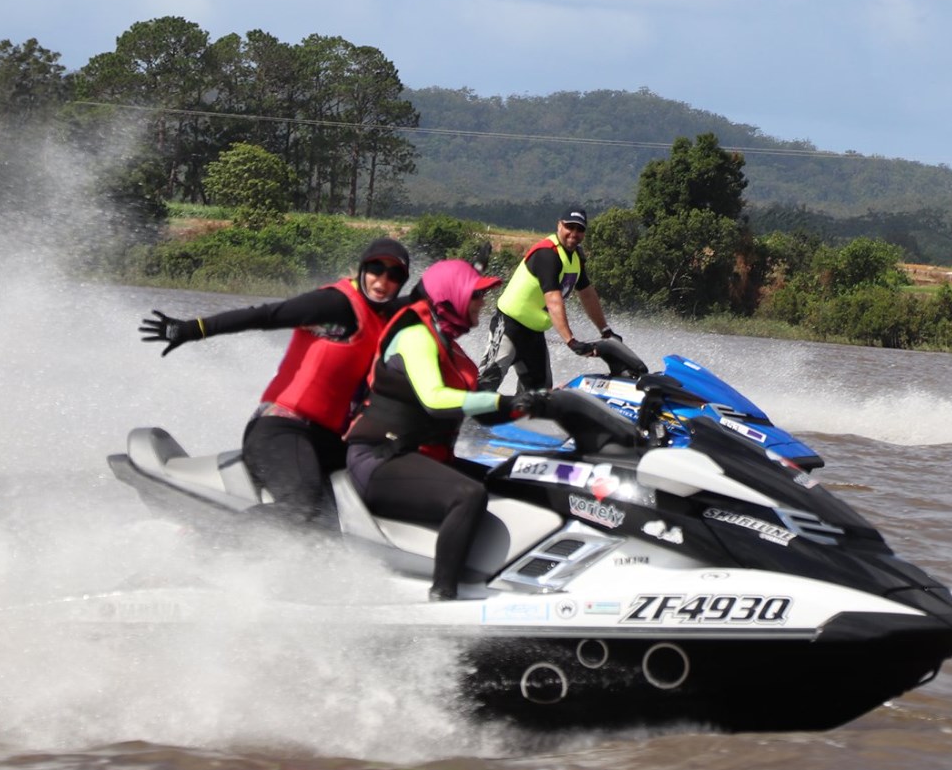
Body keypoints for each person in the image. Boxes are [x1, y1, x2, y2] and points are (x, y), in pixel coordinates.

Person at [137, 237, 413, 530]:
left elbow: (433, 294)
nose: (382, 281)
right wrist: (194, 329)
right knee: (302, 505)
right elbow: (266, 315)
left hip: (326, 439)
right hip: (282, 428)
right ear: (363, 268)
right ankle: (209, 544)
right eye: (376, 269)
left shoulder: (384, 315)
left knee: (384, 481)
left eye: (394, 275)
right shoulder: (335, 304)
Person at [344, 258, 542, 601]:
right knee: (468, 495)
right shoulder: (415, 337)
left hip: (420, 458)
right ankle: (443, 595)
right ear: (451, 298)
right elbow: (435, 400)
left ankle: (516, 579)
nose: (483, 302)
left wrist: (534, 407)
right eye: (476, 295)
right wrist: (502, 400)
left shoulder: (452, 349)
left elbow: (482, 414)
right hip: (379, 458)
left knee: (517, 479)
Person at [486, 207, 622, 394]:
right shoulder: (547, 254)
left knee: (541, 394)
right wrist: (571, 341)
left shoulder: (576, 257)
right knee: (487, 382)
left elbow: (587, 294)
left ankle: (519, 412)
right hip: (509, 326)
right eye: (569, 227)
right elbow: (553, 301)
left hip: (534, 333)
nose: (574, 233)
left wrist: (605, 330)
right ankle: (462, 412)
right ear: (559, 225)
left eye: (580, 229)